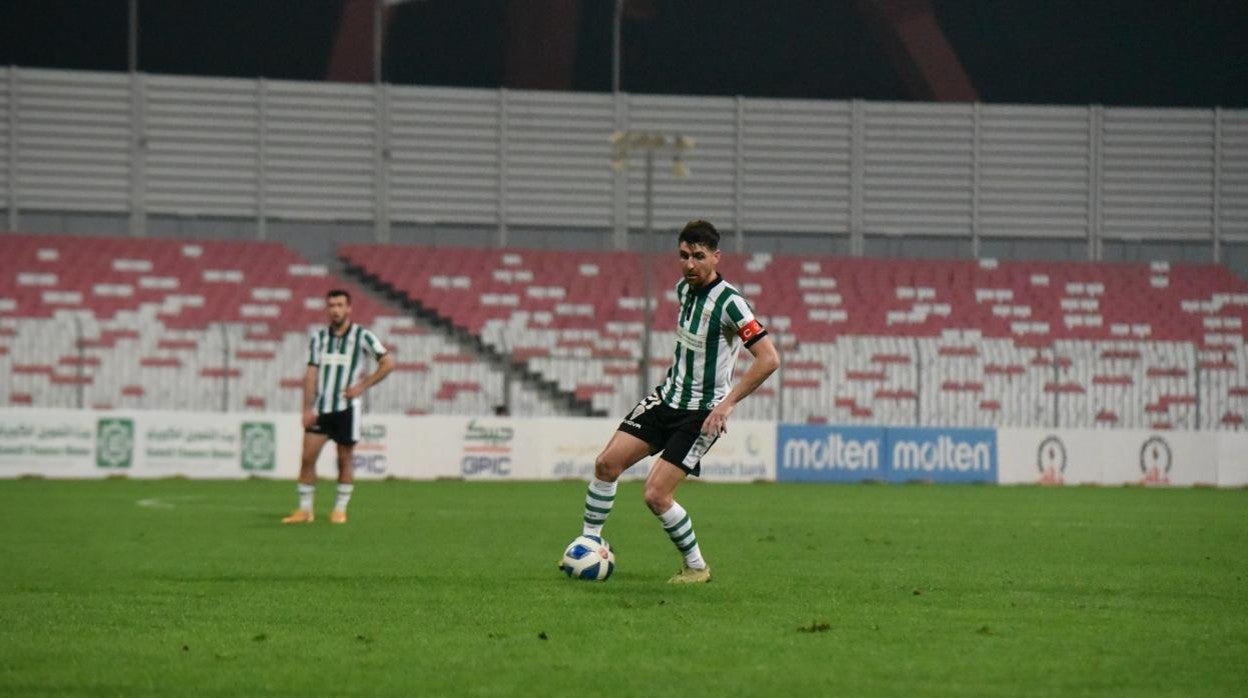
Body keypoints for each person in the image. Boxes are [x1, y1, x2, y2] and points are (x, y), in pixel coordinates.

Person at [575, 220, 780, 583]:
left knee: (655, 494)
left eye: (698, 257)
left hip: (701, 415)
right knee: (606, 464)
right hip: (666, 399)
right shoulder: (683, 291)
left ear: (716, 257)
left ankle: (697, 568)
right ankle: (589, 543)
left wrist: (726, 404)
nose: (689, 264)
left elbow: (769, 358)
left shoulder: (732, 304)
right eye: (684, 256)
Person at [282, 289, 394, 525]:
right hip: (322, 409)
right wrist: (306, 408)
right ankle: (305, 511)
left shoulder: (362, 335)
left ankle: (340, 510)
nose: (335, 310)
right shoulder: (319, 338)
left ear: (349, 308)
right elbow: (311, 372)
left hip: (347, 409)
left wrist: (362, 386)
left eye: (340, 305)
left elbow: (387, 363)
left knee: (344, 459)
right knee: (307, 458)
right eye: (331, 305)